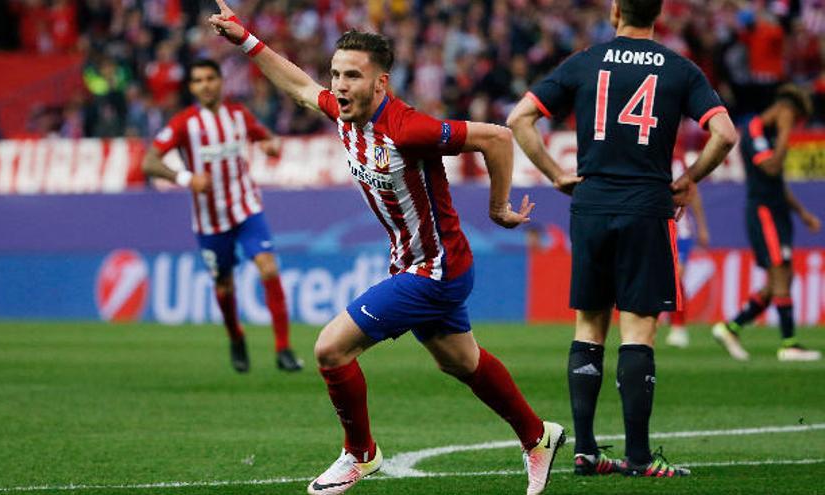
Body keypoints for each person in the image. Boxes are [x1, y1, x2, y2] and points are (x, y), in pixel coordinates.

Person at [209, 3, 565, 494]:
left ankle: (361, 455)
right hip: (417, 262)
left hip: (435, 270)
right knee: (460, 361)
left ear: (381, 83)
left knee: (331, 350)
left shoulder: (407, 129)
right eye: (335, 74)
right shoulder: (343, 112)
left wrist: (499, 207)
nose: (339, 85)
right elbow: (297, 85)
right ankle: (537, 435)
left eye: (352, 76)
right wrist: (246, 40)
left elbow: (498, 138)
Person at [508, 0, 737, 479]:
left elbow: (519, 119)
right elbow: (724, 133)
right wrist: (690, 176)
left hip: (590, 204)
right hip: (646, 206)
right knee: (639, 330)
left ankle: (586, 451)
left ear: (616, 12)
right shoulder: (680, 69)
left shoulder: (586, 61)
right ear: (657, 14)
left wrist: (555, 174)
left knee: (588, 325)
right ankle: (638, 457)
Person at [142, 59, 303, 374]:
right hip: (210, 220)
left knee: (268, 268)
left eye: (210, 78)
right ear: (191, 87)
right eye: (198, 80)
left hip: (247, 209)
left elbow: (267, 137)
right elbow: (150, 161)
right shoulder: (183, 123)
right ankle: (236, 338)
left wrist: (272, 145)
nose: (205, 85)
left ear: (220, 82)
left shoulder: (238, 116)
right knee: (225, 285)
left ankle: (283, 348)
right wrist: (187, 179)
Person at [712, 85, 822, 362]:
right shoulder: (755, 131)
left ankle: (730, 327)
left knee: (780, 281)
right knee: (781, 275)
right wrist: (787, 132)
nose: (793, 124)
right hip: (764, 214)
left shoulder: (770, 134)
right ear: (784, 109)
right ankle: (789, 344)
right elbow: (770, 168)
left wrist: (802, 213)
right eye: (793, 117)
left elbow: (777, 183)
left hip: (776, 212)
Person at [665, 154, 711, 349]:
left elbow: (693, 193)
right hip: (654, 223)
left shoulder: (679, 161)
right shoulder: (648, 155)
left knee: (676, 276)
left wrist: (701, 226)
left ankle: (678, 327)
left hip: (680, 228)